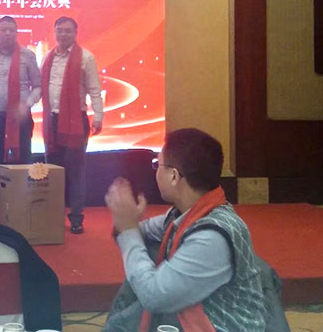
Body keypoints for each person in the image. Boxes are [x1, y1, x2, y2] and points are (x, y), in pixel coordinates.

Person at [104, 127, 266, 332]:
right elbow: (134, 233)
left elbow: (154, 296)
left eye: (157, 165)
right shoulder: (185, 214)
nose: (155, 172)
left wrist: (128, 228)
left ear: (173, 176)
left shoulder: (212, 237)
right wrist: (127, 223)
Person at [41, 16, 103, 234]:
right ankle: (53, 216)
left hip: (76, 121)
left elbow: (94, 89)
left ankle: (76, 218)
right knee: (53, 171)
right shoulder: (48, 58)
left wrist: (98, 116)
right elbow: (42, 89)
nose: (63, 34)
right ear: (54, 33)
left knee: (76, 171)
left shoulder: (86, 58)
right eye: (59, 30)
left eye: (68, 31)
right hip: (52, 121)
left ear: (75, 33)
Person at [0, 16, 41, 221]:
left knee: (24, 163)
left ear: (16, 33)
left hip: (20, 118)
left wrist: (27, 104)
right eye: (3, 30)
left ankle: (23, 211)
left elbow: (38, 86)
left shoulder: (27, 56)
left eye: (11, 30)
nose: (7, 33)